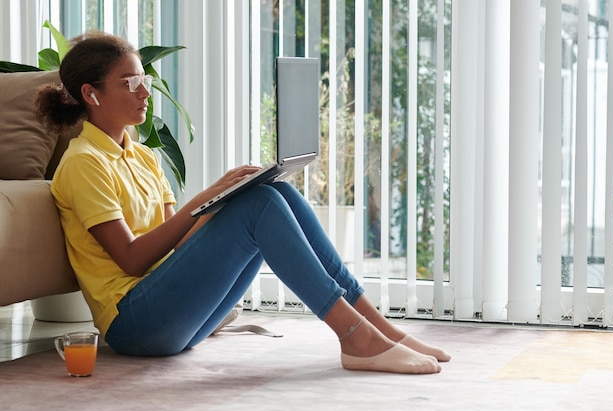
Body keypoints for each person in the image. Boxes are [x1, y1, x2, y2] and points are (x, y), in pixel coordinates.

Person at [36, 31, 450, 374]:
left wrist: (225, 200)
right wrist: (205, 198)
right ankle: (355, 338)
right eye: (130, 82)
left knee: (273, 192)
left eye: (143, 78)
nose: (146, 91)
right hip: (135, 325)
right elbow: (130, 260)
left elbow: (177, 247)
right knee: (259, 208)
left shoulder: (143, 155)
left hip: (175, 315)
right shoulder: (83, 164)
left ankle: (380, 329)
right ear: (91, 95)